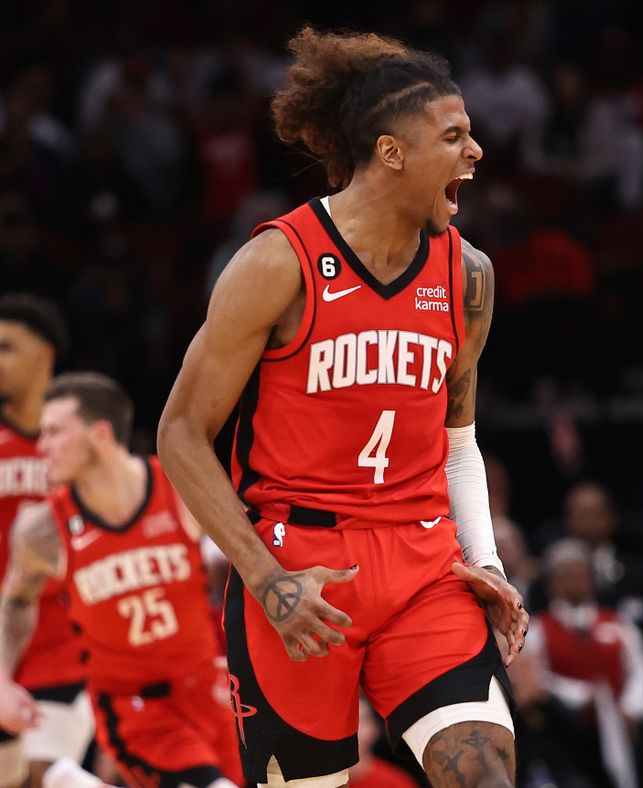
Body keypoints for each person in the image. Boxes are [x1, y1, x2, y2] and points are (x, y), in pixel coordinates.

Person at [158, 26, 528, 788]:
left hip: (424, 563)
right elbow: (182, 433)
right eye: (454, 135)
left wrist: (486, 563)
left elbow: (459, 440)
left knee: (486, 774)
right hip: (301, 569)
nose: (476, 151)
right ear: (392, 153)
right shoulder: (277, 262)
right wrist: (265, 579)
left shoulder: (468, 276)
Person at [0, 372, 243, 788]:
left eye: (55, 432)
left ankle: (61, 780)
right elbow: (17, 602)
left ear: (99, 433)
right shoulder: (42, 530)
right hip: (133, 708)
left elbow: (241, 563)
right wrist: (1, 679)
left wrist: (243, 653)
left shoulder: (180, 488)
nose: (42, 447)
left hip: (209, 689)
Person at [0, 294, 90, 788]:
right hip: (4, 638)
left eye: (7, 347)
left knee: (38, 774)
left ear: (45, 356)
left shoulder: (82, 446)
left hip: (64, 644)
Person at [509, 539, 643, 788]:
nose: (575, 581)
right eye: (566, 575)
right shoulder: (538, 628)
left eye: (581, 573)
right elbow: (535, 676)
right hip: (566, 732)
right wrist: (580, 696)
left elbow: (642, 668)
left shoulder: (616, 622)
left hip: (620, 726)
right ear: (552, 582)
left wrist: (632, 706)